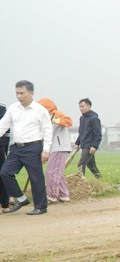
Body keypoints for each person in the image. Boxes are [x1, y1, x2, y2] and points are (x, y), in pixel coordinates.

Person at [0, 80, 52, 215]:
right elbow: (2, 126)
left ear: (31, 93)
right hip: (16, 148)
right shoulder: (13, 108)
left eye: (22, 93)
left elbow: (47, 130)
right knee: (4, 172)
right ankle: (22, 198)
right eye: (17, 93)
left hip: (33, 147)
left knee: (36, 178)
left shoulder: (40, 110)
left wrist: (46, 150)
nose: (19, 96)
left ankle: (41, 207)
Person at [38, 99, 73, 203]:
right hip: (54, 148)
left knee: (51, 172)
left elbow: (68, 121)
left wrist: (56, 121)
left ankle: (52, 195)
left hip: (59, 147)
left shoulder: (55, 114)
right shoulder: (45, 118)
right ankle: (64, 195)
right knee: (57, 172)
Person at [74, 99, 102, 178]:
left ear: (89, 106)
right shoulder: (82, 118)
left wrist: (95, 146)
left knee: (81, 164)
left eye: (83, 106)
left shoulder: (94, 118)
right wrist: (77, 143)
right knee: (92, 166)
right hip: (83, 145)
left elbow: (98, 134)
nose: (81, 108)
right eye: (80, 107)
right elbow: (81, 132)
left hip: (89, 146)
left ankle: (81, 182)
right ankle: (101, 181)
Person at [0, 103, 9, 212]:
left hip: (0, 147)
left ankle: (5, 204)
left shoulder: (2, 109)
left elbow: (4, 125)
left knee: (1, 175)